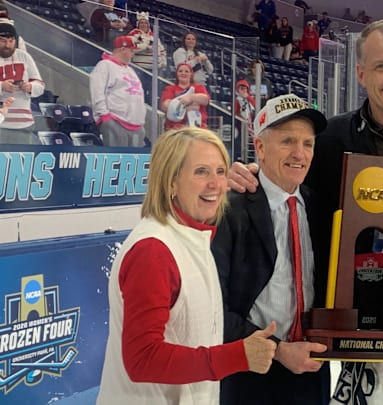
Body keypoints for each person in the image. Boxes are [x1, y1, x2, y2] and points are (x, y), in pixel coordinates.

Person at [228, 19, 383, 405]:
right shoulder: (330, 140)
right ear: (360, 73)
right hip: (352, 338)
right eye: (382, 66)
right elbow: (291, 175)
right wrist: (254, 174)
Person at [96, 127, 278, 404]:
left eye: (220, 171)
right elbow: (141, 359)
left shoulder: (194, 236)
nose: (216, 185)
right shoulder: (153, 251)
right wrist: (238, 355)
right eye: (201, 171)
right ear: (170, 182)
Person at [212, 93, 330, 404]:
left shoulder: (320, 208)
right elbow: (213, 310)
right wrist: (279, 350)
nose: (299, 153)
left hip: (311, 369)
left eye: (308, 144)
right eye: (288, 141)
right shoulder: (231, 210)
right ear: (260, 148)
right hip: (251, 372)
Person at [89, 35, 146, 147]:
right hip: (115, 121)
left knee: (133, 162)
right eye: (131, 50)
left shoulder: (130, 70)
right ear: (123, 49)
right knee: (117, 161)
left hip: (136, 125)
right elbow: (97, 92)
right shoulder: (105, 65)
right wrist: (105, 116)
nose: (132, 54)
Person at [0, 23, 44, 144]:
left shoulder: (24, 56)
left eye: (10, 41)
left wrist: (30, 87)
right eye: (2, 41)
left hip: (23, 124)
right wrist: (2, 86)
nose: (7, 45)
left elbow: (40, 85)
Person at [160, 63, 210, 131]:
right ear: (177, 74)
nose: (183, 73)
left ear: (191, 74)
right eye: (180, 71)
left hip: (197, 129)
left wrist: (190, 98)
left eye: (186, 71)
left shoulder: (199, 87)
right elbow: (165, 106)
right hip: (175, 129)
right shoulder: (170, 89)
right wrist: (192, 104)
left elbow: (205, 100)